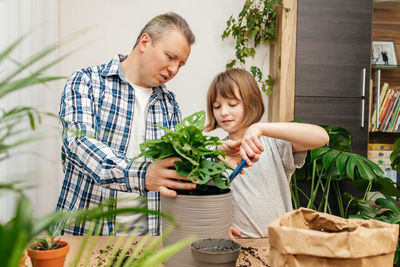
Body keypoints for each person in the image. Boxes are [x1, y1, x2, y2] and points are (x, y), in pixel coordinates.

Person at [56, 12, 239, 236]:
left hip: (149, 241)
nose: (174, 70)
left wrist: (217, 156)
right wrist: (142, 175)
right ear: (145, 42)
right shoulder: (87, 82)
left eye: (180, 64)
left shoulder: (168, 104)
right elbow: (78, 144)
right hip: (86, 235)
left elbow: (178, 169)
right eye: (170, 57)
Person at [204, 68, 329, 238]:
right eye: (217, 106)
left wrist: (259, 127)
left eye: (232, 104)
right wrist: (216, 226)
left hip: (279, 244)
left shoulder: (274, 144)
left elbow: (321, 137)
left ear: (251, 103)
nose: (223, 112)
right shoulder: (215, 152)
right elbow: (205, 203)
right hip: (237, 245)